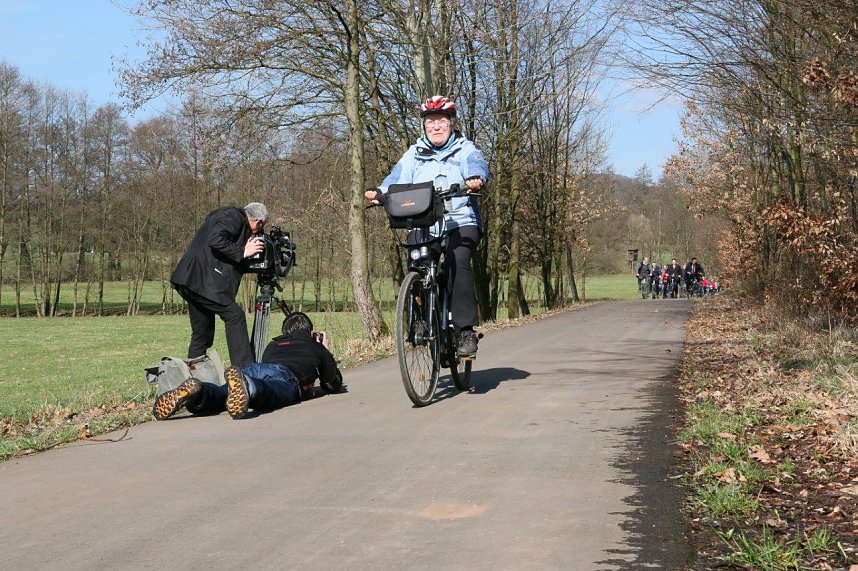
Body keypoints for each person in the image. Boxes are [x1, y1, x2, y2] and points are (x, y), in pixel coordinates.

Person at [364, 95, 489, 357]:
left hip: (460, 221)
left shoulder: (465, 149)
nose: (436, 126)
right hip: (425, 223)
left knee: (457, 261)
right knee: (416, 261)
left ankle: (465, 331)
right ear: (424, 126)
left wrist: (476, 178)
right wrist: (380, 192)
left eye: (441, 120)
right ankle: (420, 319)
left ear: (451, 123)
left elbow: (476, 164)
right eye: (430, 122)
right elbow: (396, 178)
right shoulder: (415, 153)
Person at [153, 312, 342, 420]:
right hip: (286, 375)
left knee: (224, 393)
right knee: (270, 391)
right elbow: (332, 384)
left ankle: (199, 395)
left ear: (284, 331)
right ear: (310, 332)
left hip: (256, 368)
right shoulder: (314, 346)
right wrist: (325, 350)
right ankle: (249, 387)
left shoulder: (273, 344)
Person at [170, 202, 268, 368]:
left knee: (202, 334)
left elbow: (224, 254)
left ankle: (194, 375)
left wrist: (248, 258)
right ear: (258, 222)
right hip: (201, 281)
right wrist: (244, 251)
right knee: (235, 316)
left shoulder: (224, 217)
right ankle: (245, 371)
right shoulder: (234, 217)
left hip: (190, 280)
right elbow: (215, 240)